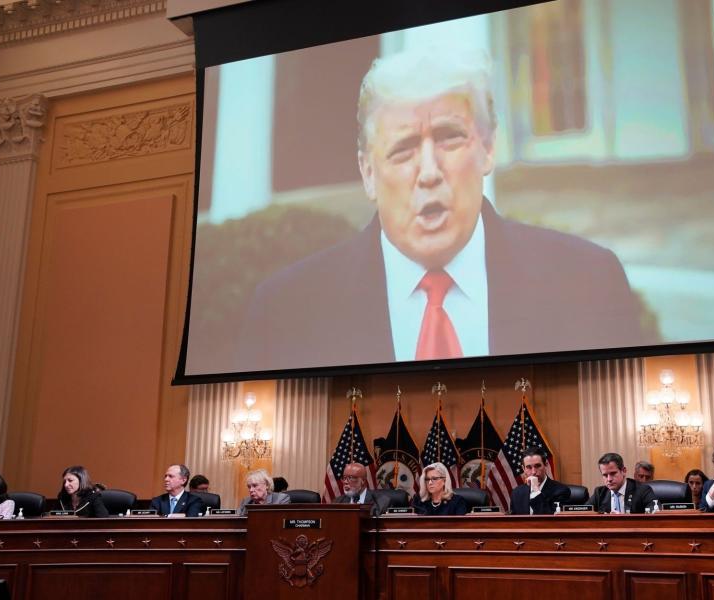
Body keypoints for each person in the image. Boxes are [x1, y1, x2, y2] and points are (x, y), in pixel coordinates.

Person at [235, 47, 653, 372]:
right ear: (367, 172)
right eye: (403, 149)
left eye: (450, 138)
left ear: (488, 148)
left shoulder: (589, 280)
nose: (429, 172)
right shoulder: (285, 308)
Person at [586, 453, 655, 514]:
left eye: (613, 473)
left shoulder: (643, 490)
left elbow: (655, 514)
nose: (609, 479)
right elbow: (584, 514)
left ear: (624, 471)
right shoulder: (599, 493)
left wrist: (623, 519)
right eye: (605, 475)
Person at [510, 447, 571, 515]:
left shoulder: (561, 491)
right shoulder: (517, 493)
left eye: (537, 466)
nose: (533, 472)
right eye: (529, 467)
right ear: (523, 469)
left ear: (546, 465)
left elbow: (550, 522)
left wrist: (536, 491)